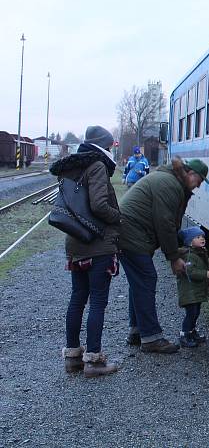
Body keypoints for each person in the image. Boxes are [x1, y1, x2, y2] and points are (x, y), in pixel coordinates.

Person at [118, 157, 209, 353]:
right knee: (146, 280)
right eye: (199, 182)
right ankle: (151, 337)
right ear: (191, 174)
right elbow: (165, 223)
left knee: (139, 282)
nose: (198, 186)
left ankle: (137, 331)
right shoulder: (170, 185)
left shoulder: (170, 180)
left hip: (128, 232)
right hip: (132, 233)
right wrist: (174, 257)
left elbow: (167, 224)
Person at [50, 125, 120, 377]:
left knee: (77, 298)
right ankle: (93, 361)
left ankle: (72, 358)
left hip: (75, 243)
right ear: (104, 145)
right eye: (111, 145)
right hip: (98, 245)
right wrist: (118, 218)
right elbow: (100, 206)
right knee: (98, 302)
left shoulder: (72, 167)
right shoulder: (97, 166)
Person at [176, 226, 209, 348]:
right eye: (198, 237)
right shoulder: (190, 255)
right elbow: (190, 272)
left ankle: (192, 332)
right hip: (189, 291)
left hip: (195, 291)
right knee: (191, 313)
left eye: (202, 237)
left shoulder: (199, 252)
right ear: (190, 242)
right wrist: (205, 274)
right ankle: (184, 334)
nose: (202, 239)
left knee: (195, 312)